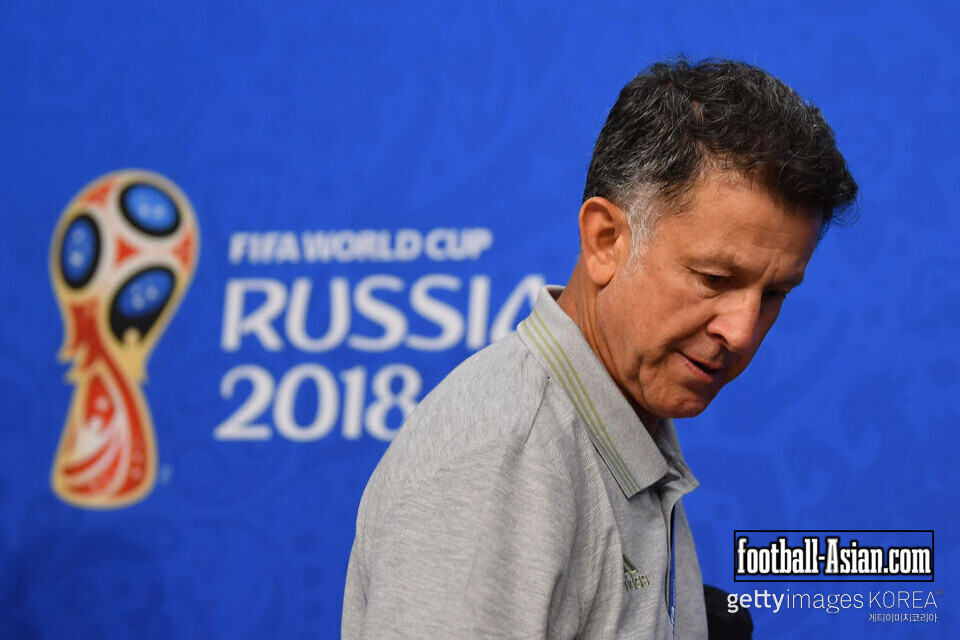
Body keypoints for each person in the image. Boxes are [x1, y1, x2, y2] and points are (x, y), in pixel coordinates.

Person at [343, 58, 857, 639]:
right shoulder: (505, 458)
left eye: (774, 294)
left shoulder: (616, 422)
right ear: (605, 241)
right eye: (714, 278)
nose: (741, 332)